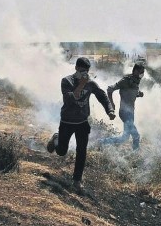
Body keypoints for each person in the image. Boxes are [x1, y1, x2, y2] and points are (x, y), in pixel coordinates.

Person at [46, 57, 115, 192]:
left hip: (82, 122)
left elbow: (102, 96)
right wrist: (82, 84)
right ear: (76, 68)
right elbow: (70, 99)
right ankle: (56, 138)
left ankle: (77, 180)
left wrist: (110, 110)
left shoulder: (90, 83)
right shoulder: (67, 81)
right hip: (67, 121)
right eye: (82, 70)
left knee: (81, 151)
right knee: (61, 151)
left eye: (86, 71)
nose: (84, 74)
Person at [101, 63, 145, 150]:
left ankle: (102, 142)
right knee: (136, 136)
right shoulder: (125, 80)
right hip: (125, 112)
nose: (142, 74)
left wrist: (139, 94)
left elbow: (130, 94)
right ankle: (135, 156)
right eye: (141, 72)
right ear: (135, 71)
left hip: (130, 112)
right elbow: (110, 89)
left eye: (143, 72)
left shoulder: (135, 81)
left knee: (124, 138)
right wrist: (112, 104)